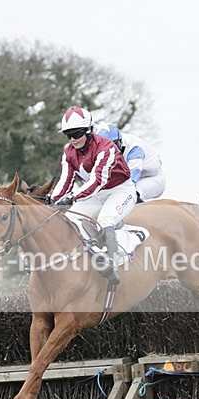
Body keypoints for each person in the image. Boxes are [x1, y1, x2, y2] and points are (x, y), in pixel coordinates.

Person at [50, 107, 137, 284]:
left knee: (105, 219)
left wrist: (72, 198)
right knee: (71, 219)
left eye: (76, 133)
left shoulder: (106, 147)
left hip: (120, 190)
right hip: (96, 193)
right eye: (68, 135)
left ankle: (112, 265)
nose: (73, 139)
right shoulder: (68, 152)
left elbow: (97, 180)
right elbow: (66, 179)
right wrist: (53, 200)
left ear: (89, 130)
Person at [95, 122, 166, 202]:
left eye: (114, 146)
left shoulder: (134, 148)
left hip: (151, 178)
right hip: (125, 181)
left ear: (120, 140)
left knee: (129, 193)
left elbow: (132, 178)